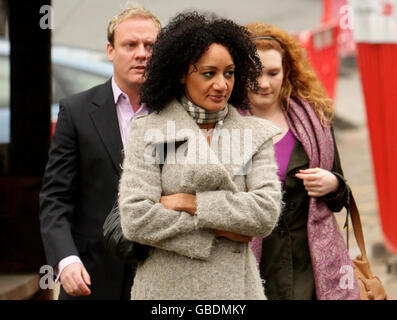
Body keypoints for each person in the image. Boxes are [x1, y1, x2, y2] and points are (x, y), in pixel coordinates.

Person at [118, 12, 282, 300]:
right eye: (209, 73)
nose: (221, 84)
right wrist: (226, 230)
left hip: (236, 293)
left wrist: (191, 203)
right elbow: (136, 218)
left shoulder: (255, 134)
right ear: (182, 73)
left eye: (229, 73)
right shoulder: (150, 131)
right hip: (164, 293)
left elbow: (265, 214)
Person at [39, 5, 160, 300]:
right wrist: (66, 260)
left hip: (159, 278)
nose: (141, 53)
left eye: (150, 45)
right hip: (89, 278)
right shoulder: (77, 111)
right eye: (130, 44)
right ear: (110, 50)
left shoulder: (175, 112)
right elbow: (55, 198)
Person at [244, 23, 361, 300]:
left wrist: (332, 184)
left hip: (312, 266)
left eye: (273, 73)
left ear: (286, 72)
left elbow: (339, 198)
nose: (264, 83)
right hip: (252, 266)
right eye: (254, 74)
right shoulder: (224, 125)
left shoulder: (315, 119)